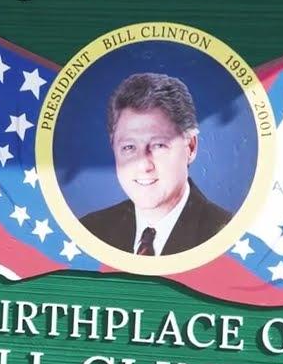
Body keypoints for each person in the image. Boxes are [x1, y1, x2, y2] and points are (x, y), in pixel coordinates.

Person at [80, 72, 231, 256]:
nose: (143, 165)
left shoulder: (226, 237)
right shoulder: (89, 233)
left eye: (159, 145)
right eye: (129, 147)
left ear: (190, 147)